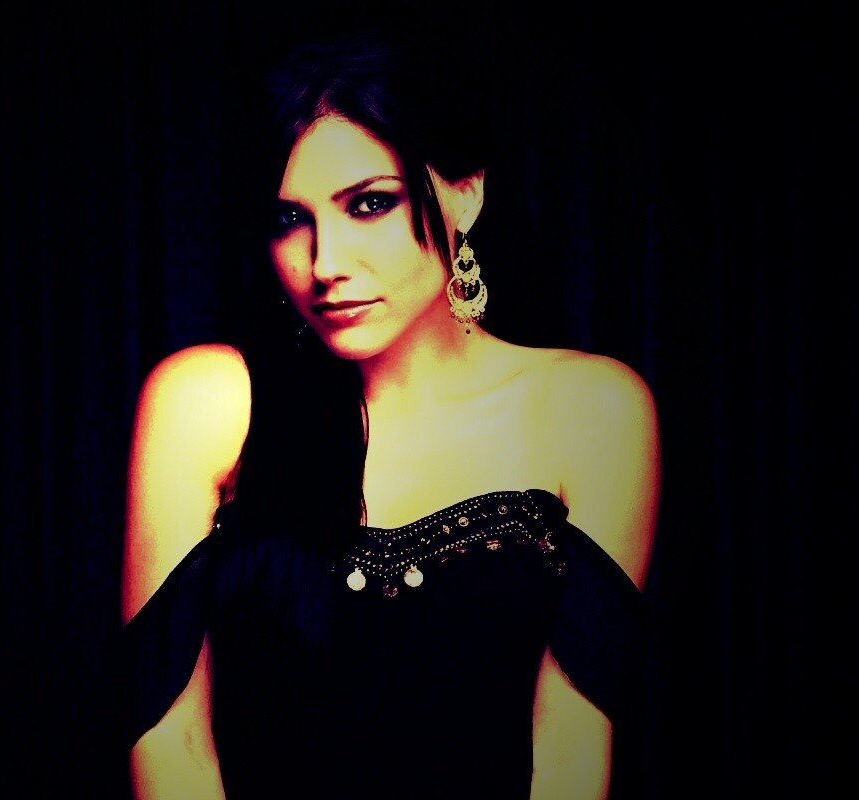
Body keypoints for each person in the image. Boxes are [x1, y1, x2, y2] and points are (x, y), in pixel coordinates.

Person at [118, 24, 660, 800]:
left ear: (465, 193)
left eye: (369, 204)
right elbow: (170, 742)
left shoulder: (593, 412)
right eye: (289, 219)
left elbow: (571, 746)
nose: (326, 264)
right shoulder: (208, 404)